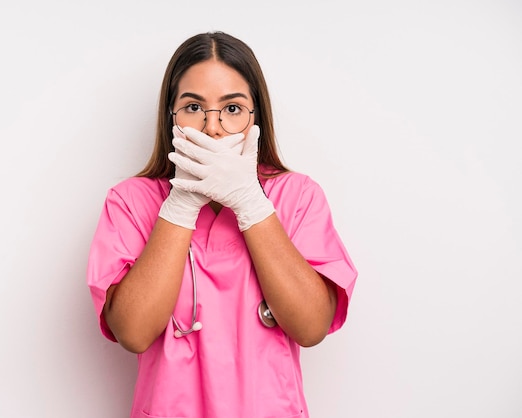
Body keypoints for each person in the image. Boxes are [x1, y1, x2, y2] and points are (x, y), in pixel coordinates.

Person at [87, 31, 358, 418]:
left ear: (256, 117)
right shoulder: (130, 202)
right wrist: (181, 204)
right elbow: (132, 332)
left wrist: (250, 203)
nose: (212, 128)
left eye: (232, 109)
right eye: (193, 106)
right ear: (171, 116)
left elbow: (312, 326)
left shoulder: (297, 197)